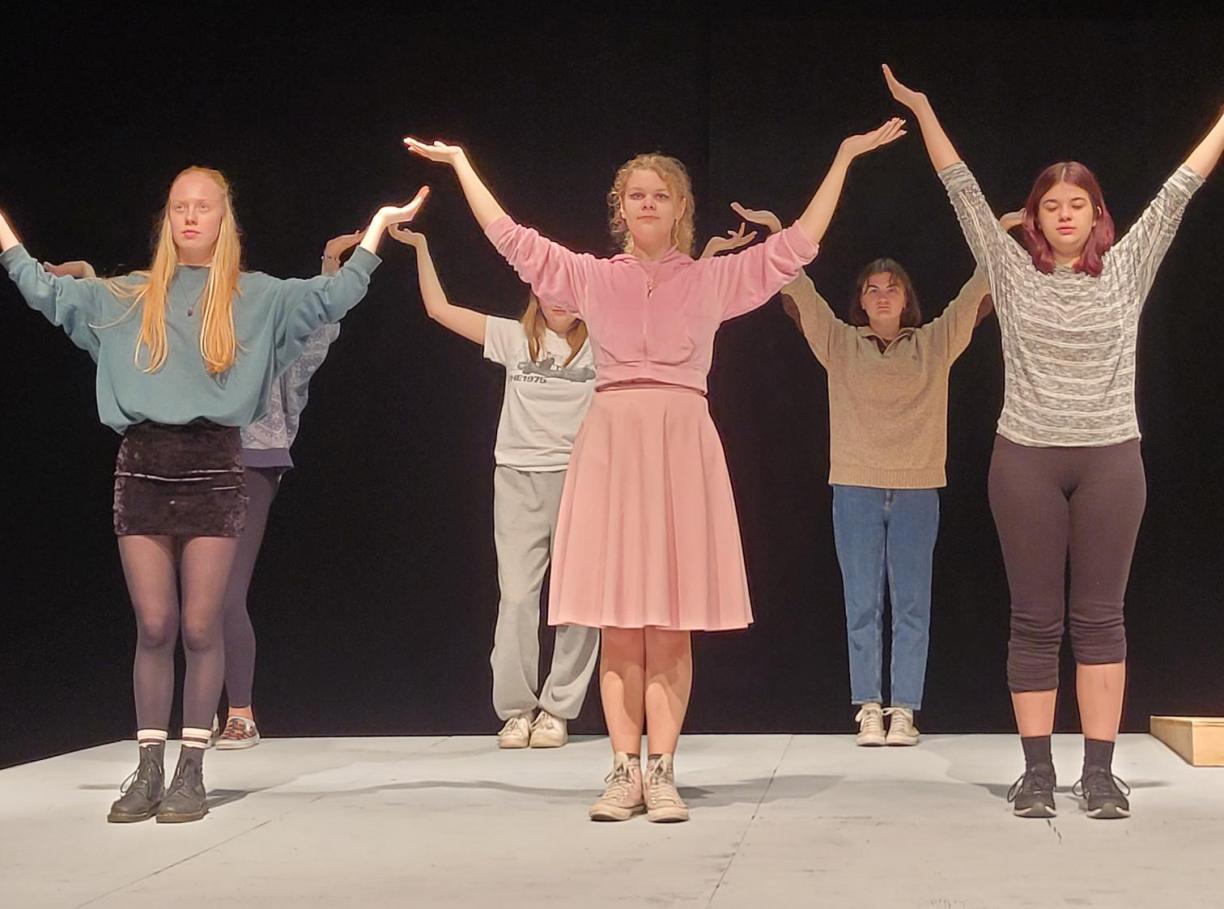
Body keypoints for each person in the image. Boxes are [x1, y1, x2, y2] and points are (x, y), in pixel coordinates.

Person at [404, 116, 906, 822]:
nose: (647, 204)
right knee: (618, 621)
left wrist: (845, 155)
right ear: (619, 210)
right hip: (611, 445)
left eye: (660, 195)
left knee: (669, 621)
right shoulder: (589, 278)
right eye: (635, 195)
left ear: (680, 210)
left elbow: (795, 248)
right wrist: (460, 166)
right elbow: (512, 240)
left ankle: (663, 769)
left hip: (679, 445)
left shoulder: (709, 280)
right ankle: (621, 769)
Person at [0, 167, 427, 823]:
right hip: (142, 463)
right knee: (155, 624)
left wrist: (376, 227)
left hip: (215, 463)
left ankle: (190, 771)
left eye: (203, 206)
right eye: (179, 206)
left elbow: (336, 293)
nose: (191, 216)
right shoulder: (127, 296)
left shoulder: (257, 298)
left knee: (202, 624)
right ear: (166, 219)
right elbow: (39, 287)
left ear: (225, 220)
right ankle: (147, 770)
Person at [884, 63, 1224, 819]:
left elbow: (1179, 188)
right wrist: (926, 107)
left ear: (1097, 215)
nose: (1064, 213)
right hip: (1027, 460)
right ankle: (1037, 772)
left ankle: (1099, 772)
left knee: (1101, 617)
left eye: (1078, 203)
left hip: (1110, 458)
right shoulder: (1009, 270)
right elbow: (961, 188)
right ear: (1033, 217)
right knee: (1035, 618)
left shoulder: (1128, 267)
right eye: (1051, 204)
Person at [711, 200, 991, 747]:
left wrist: (1001, 243)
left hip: (916, 486)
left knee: (912, 602)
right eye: (871, 289)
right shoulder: (841, 342)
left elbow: (979, 293)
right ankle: (868, 706)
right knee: (862, 601)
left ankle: (904, 708)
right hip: (856, 486)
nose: (882, 296)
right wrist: (778, 236)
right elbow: (796, 289)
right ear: (860, 302)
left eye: (892, 288)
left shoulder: (934, 343)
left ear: (907, 298)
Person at [387, 223, 600, 749]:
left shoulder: (605, 346)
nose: (558, 299)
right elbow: (440, 310)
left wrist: (701, 257)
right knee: (518, 598)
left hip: (581, 482)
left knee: (578, 603)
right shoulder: (513, 336)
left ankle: (558, 709)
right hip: (518, 478)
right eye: (549, 288)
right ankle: (517, 710)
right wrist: (421, 246)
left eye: (570, 289)